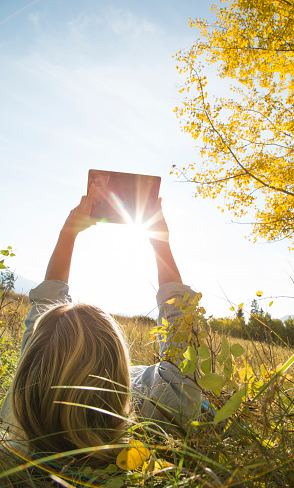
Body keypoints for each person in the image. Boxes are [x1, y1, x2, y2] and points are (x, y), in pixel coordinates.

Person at [0, 185, 201, 462]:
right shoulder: (161, 403)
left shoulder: (19, 408)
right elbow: (181, 331)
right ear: (118, 373)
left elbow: (43, 306)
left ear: (32, 367)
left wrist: (68, 233)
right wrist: (160, 241)